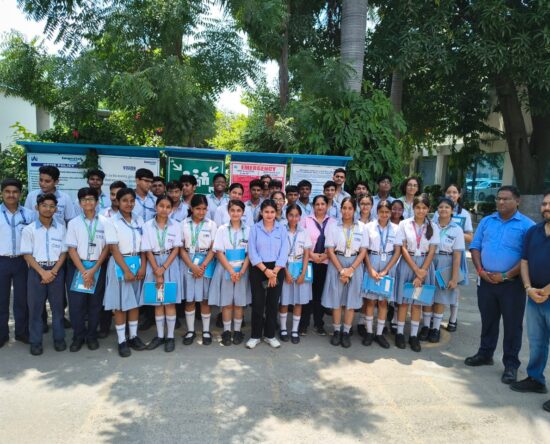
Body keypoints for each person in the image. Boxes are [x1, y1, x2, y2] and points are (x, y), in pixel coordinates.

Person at [466, 186, 535, 385]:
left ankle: (511, 365)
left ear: (518, 201)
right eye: (498, 199)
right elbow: (475, 247)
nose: (501, 202)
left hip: (512, 285)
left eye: (506, 199)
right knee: (488, 320)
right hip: (486, 281)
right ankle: (485, 353)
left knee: (512, 326)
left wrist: (505, 275)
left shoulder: (527, 226)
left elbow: (526, 258)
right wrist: (480, 271)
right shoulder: (487, 221)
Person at [511, 192, 550, 412]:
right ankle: (536, 379)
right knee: (537, 342)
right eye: (544, 204)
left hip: (545, 294)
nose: (546, 207)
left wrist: (546, 291)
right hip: (535, 296)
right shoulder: (534, 231)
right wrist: (528, 288)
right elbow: (524, 261)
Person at [21, 193, 68, 355]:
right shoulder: (29, 230)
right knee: (35, 309)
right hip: (36, 271)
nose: (48, 209)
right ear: (37, 207)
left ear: (56, 209)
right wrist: (42, 272)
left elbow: (64, 253)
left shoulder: (61, 228)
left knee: (58, 308)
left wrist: (53, 271)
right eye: (44, 205)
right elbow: (27, 254)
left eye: (52, 206)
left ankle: (59, 339)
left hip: (56, 271)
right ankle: (35, 341)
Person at [104, 188, 148, 357]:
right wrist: (126, 270)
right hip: (120, 264)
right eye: (125, 200)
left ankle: (133, 336)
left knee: (134, 303)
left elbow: (144, 246)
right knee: (121, 305)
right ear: (117, 201)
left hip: (137, 263)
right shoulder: (111, 221)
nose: (129, 204)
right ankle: (122, 340)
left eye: (132, 200)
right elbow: (113, 249)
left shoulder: (139, 220)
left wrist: (143, 267)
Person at [66, 187, 110, 352]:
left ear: (97, 202)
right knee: (76, 305)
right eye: (84, 199)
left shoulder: (105, 222)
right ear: (79, 203)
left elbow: (107, 247)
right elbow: (71, 249)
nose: (87, 202)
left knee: (95, 304)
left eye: (91, 199)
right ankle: (78, 336)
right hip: (78, 267)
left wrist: (94, 269)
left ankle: (91, 336)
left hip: (98, 267)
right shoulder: (73, 223)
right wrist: (84, 271)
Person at [394, 194, 439, 352]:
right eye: (418, 207)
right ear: (413, 208)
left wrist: (422, 272)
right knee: (403, 302)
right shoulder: (404, 224)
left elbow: (432, 251)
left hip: (425, 265)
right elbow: (403, 248)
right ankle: (400, 333)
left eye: (424, 208)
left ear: (428, 209)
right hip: (408, 264)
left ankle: (413, 336)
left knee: (417, 302)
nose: (421, 211)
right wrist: (416, 270)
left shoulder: (433, 227)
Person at [322, 197, 367, 348]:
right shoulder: (333, 226)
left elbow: (363, 251)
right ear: (340, 209)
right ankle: (336, 331)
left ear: (354, 210)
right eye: (344, 208)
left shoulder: (362, 227)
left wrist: (351, 269)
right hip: (337, 263)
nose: (347, 211)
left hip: (355, 264)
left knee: (351, 301)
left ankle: (346, 332)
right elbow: (330, 250)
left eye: (350, 208)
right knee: (336, 300)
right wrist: (342, 271)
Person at [420, 197, 465, 343]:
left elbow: (457, 255)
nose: (443, 210)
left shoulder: (457, 230)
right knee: (427, 295)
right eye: (440, 207)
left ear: (452, 210)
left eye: (447, 207)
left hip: (446, 262)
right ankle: (426, 326)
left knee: (441, 297)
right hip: (429, 260)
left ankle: (435, 328)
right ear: (436, 210)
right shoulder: (430, 226)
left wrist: (454, 277)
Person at [141, 195, 182, 353]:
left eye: (168, 207)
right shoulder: (147, 226)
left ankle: (170, 337)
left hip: (170, 264)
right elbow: (147, 250)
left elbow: (176, 249)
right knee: (157, 302)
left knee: (169, 302)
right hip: (153, 263)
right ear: (156, 207)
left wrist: (163, 268)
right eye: (161, 206)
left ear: (171, 209)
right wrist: (156, 270)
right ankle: (159, 336)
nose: (164, 209)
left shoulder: (176, 225)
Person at [246, 199, 289, 349]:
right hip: (259, 268)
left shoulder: (281, 229)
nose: (269, 215)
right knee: (258, 303)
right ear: (261, 212)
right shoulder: (255, 229)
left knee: (273, 303)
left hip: (277, 269)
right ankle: (255, 336)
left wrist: (274, 272)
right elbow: (252, 252)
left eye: (272, 212)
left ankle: (270, 335)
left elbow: (284, 251)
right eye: (266, 212)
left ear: (276, 213)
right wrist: (266, 271)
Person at [432, 183, 474, 332]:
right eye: (448, 192)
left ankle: (453, 318)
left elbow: (470, 237)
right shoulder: (437, 213)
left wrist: (455, 232)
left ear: (459, 195)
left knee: (453, 287)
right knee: (436, 287)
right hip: (436, 254)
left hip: (455, 253)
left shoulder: (465, 214)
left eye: (454, 192)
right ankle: (433, 320)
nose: (451, 195)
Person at [209, 200, 251, 346]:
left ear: (243, 212)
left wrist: (242, 271)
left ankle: (237, 331)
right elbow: (219, 252)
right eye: (232, 210)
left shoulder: (248, 230)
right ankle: (227, 331)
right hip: (225, 269)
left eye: (238, 210)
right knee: (226, 303)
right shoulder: (222, 229)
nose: (235, 213)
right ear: (228, 212)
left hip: (242, 271)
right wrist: (231, 271)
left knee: (239, 303)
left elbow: (250, 254)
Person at [360, 200, 401, 349]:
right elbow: (364, 249)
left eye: (387, 212)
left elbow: (397, 251)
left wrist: (386, 270)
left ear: (390, 213)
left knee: (383, 302)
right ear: (377, 212)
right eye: (381, 212)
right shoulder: (368, 227)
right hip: (372, 261)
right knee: (370, 301)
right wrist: (370, 269)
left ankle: (379, 333)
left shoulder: (396, 229)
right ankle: (369, 332)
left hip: (388, 264)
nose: (384, 214)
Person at [0, 179, 35, 347]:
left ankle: (22, 332)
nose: (11, 195)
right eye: (7, 191)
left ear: (20, 194)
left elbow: (35, 238)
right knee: (1, 300)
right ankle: (2, 334)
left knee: (22, 299)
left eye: (15, 192)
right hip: (1, 261)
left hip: (23, 262)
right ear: (2, 193)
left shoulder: (29, 214)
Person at [180, 194, 217, 346]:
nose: (201, 212)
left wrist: (202, 266)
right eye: (198, 209)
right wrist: (192, 266)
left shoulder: (211, 225)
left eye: (204, 209)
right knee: (190, 299)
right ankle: (190, 331)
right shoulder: (183, 224)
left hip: (206, 262)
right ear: (191, 208)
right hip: (188, 261)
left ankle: (206, 331)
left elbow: (214, 248)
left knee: (204, 299)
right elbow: (181, 248)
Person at [299, 195, 336, 336]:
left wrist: (326, 255)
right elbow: (300, 240)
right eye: (317, 204)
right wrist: (311, 255)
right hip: (309, 261)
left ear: (327, 206)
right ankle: (303, 324)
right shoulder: (306, 220)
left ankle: (319, 324)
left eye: (323, 204)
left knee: (320, 294)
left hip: (326, 261)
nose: (320, 207)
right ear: (313, 206)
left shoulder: (333, 222)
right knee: (307, 293)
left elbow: (336, 242)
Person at [279, 204, 312, 344]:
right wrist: (285, 272)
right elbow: (279, 253)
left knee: (298, 301)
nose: (293, 218)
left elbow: (306, 254)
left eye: (296, 215)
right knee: (284, 301)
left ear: (300, 217)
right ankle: (283, 329)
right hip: (285, 266)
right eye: (291, 215)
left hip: (299, 267)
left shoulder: (304, 232)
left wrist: (303, 273)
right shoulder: (281, 230)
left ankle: (294, 330)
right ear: (287, 216)